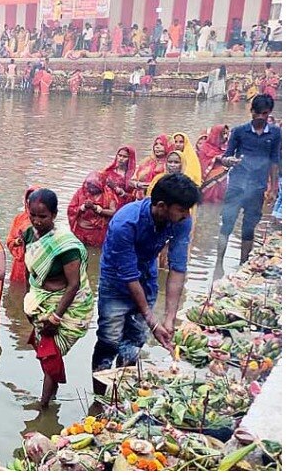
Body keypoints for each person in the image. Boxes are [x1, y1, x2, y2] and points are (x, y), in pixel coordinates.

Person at [91, 174, 200, 383]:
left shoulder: (181, 221)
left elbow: (177, 268)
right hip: (115, 283)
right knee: (109, 342)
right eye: (182, 210)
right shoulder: (125, 222)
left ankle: (122, 395)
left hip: (147, 279)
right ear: (161, 206)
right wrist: (153, 321)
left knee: (134, 343)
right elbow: (129, 276)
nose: (187, 216)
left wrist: (169, 318)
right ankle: (99, 401)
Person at [23, 188, 94, 407]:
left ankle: (43, 407)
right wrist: (30, 300)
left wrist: (55, 318)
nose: (37, 221)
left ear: (54, 215)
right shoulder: (29, 234)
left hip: (65, 306)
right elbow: (30, 271)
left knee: (49, 354)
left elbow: (74, 285)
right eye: (32, 215)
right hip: (41, 300)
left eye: (42, 216)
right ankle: (51, 398)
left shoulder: (65, 245)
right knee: (47, 353)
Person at [215, 95, 282, 277]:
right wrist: (230, 160)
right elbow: (226, 157)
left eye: (265, 114)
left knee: (249, 227)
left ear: (269, 114)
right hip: (237, 185)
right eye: (257, 113)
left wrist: (273, 188)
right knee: (227, 224)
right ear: (251, 111)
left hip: (258, 187)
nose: (260, 117)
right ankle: (218, 264)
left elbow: (274, 160)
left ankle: (242, 265)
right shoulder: (239, 131)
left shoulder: (275, 133)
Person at [67, 172, 118, 247]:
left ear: (100, 186)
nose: (90, 189)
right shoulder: (81, 192)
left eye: (94, 187)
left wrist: (96, 208)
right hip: (80, 231)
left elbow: (113, 212)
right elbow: (71, 209)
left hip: (98, 233)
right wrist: (83, 207)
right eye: (89, 186)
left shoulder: (108, 195)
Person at [6, 186, 40, 283]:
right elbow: (10, 240)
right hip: (20, 263)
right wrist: (18, 241)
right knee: (17, 290)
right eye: (30, 199)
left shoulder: (45, 219)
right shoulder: (19, 218)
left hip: (37, 263)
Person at [198, 125, 231, 203]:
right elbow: (203, 164)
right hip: (209, 180)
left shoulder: (228, 147)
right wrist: (217, 159)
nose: (225, 136)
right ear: (215, 135)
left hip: (224, 182)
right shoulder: (205, 147)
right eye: (223, 134)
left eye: (227, 134)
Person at [131, 135, 169, 200]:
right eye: (156, 144)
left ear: (168, 146)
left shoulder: (170, 163)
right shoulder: (147, 161)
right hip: (140, 198)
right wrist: (137, 184)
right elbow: (132, 180)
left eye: (161, 144)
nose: (157, 147)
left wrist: (151, 186)